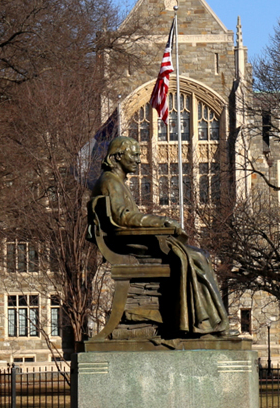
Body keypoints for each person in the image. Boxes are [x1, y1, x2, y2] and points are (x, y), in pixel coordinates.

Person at [89, 136, 229, 337]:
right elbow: (122, 217)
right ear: (118, 156)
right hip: (128, 245)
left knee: (200, 256)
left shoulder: (115, 182)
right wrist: (161, 222)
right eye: (134, 155)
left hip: (132, 241)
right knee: (196, 257)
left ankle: (209, 321)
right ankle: (205, 323)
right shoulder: (110, 182)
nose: (138, 160)